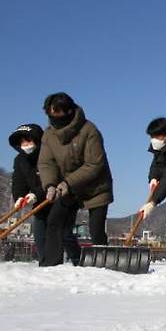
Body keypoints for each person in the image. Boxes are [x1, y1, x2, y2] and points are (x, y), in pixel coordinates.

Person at [38, 92, 114, 266]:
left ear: (70, 111)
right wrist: (50, 184)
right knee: (55, 222)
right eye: (51, 115)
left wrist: (68, 182)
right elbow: (46, 162)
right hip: (67, 188)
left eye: (58, 114)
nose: (54, 119)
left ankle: (104, 264)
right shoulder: (48, 135)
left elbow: (94, 165)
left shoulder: (89, 130)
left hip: (96, 187)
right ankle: (51, 265)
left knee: (96, 230)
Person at [9, 124, 49, 261]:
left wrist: (36, 194)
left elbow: (52, 179)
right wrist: (19, 197)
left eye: (28, 140)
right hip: (38, 202)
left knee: (63, 233)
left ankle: (75, 261)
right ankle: (45, 266)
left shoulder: (47, 156)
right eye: (22, 142)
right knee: (40, 234)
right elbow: (18, 181)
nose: (25, 144)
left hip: (56, 198)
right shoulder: (20, 160)